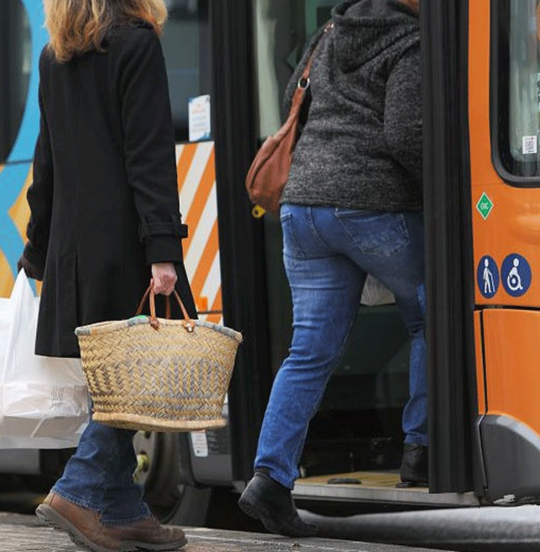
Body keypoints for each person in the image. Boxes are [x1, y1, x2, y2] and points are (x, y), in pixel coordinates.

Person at [238, 0, 425, 538]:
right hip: (370, 204)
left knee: (310, 348)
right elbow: (407, 136)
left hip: (303, 208)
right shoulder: (410, 39)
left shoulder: (329, 32)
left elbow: (295, 103)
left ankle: (269, 477)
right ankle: (422, 449)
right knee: (434, 314)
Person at [17, 1, 196, 550]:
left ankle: (121, 510)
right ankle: (78, 488)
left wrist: (39, 248)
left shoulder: (54, 57)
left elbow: (44, 162)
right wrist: (162, 250)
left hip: (74, 249)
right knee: (133, 378)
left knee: (114, 378)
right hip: (124, 243)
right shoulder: (136, 42)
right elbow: (148, 154)